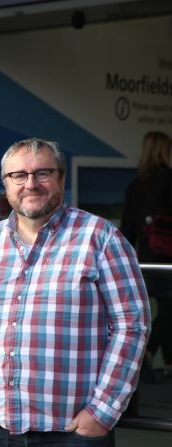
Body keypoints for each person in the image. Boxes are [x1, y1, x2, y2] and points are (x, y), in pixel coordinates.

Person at [0, 138, 150, 446]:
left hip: (73, 434)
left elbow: (132, 326)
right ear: (6, 183)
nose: (31, 184)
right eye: (19, 175)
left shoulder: (101, 238)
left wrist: (102, 412)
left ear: (61, 179)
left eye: (43, 173)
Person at [121, 131, 172, 378]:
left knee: (166, 307)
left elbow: (127, 229)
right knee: (169, 309)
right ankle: (149, 353)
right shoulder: (170, 180)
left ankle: (167, 361)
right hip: (168, 255)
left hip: (148, 256)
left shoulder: (135, 186)